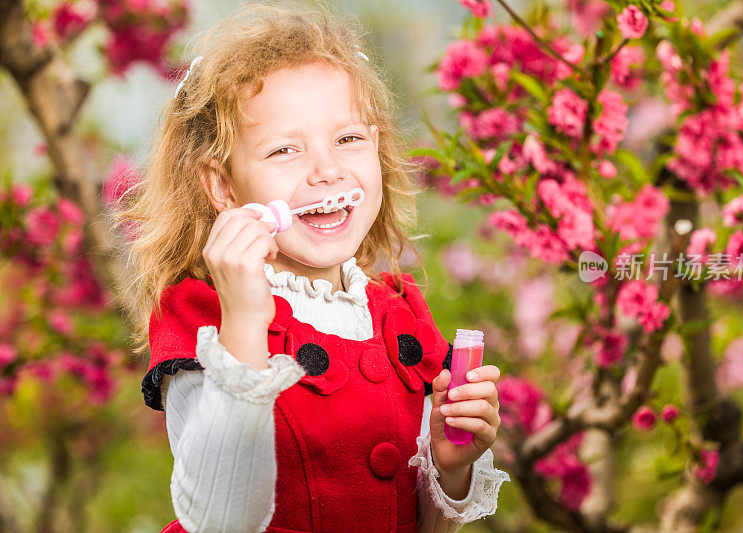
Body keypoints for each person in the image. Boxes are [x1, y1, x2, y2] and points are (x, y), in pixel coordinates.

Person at [116, 3, 510, 532]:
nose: (328, 171)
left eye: (348, 139)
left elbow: (422, 524)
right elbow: (217, 514)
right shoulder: (203, 318)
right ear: (223, 186)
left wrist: (450, 466)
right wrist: (244, 321)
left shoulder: (400, 315)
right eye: (284, 150)